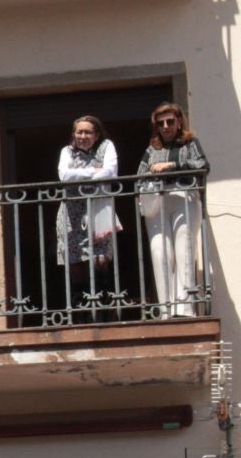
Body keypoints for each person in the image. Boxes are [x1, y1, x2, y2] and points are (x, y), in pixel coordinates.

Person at [137, 102, 210, 318]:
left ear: (179, 122)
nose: (166, 126)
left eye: (170, 121)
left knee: (184, 248)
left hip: (183, 196)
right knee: (160, 252)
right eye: (161, 123)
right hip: (158, 201)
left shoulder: (190, 143)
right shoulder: (152, 149)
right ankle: (166, 309)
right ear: (156, 126)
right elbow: (138, 176)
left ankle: (185, 309)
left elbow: (203, 166)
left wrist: (173, 167)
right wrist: (150, 175)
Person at [55, 115, 120, 310]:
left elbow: (111, 171)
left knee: (100, 262)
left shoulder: (106, 146)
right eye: (79, 132)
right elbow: (64, 175)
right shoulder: (66, 151)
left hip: (98, 212)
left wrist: (81, 175)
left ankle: (103, 312)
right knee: (77, 267)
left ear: (97, 134)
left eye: (88, 132)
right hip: (71, 215)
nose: (83, 136)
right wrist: (94, 171)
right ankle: (80, 314)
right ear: (74, 134)